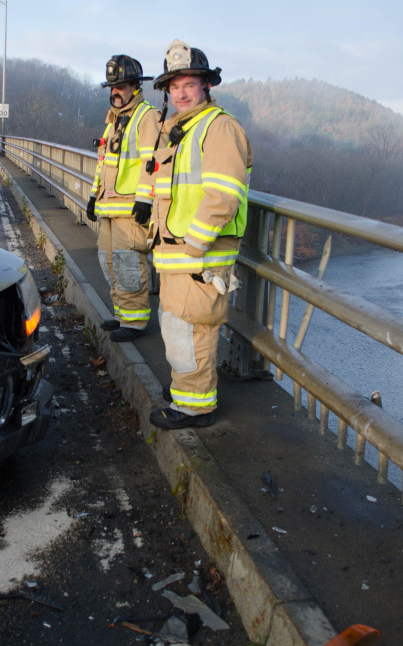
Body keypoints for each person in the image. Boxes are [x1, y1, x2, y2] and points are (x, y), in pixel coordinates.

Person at [145, 39, 252, 430]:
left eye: (189, 84)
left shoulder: (219, 127)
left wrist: (194, 243)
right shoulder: (182, 129)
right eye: (174, 87)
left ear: (206, 86)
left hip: (199, 254)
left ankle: (194, 408)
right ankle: (185, 391)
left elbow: (224, 195)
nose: (181, 93)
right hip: (179, 253)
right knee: (178, 326)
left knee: (193, 330)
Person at [86, 55, 161, 342]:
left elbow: (153, 163)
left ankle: (136, 321)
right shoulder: (114, 122)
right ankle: (122, 315)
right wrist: (94, 196)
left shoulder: (147, 117)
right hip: (109, 207)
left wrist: (146, 199)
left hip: (130, 210)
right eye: (112, 87)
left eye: (120, 86)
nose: (115, 92)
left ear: (134, 87)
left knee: (128, 264)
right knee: (108, 262)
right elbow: (103, 163)